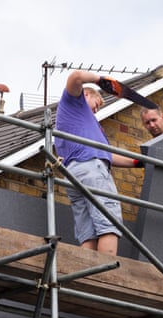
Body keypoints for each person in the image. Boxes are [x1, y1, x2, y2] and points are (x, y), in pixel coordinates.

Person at [55, 70, 140, 256]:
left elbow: (108, 155)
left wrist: (136, 163)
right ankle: (105, 276)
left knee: (89, 233)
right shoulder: (73, 103)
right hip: (91, 169)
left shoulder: (81, 125)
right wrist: (100, 80)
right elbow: (75, 77)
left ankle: (87, 281)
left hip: (74, 175)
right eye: (96, 105)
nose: (96, 111)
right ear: (86, 94)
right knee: (109, 223)